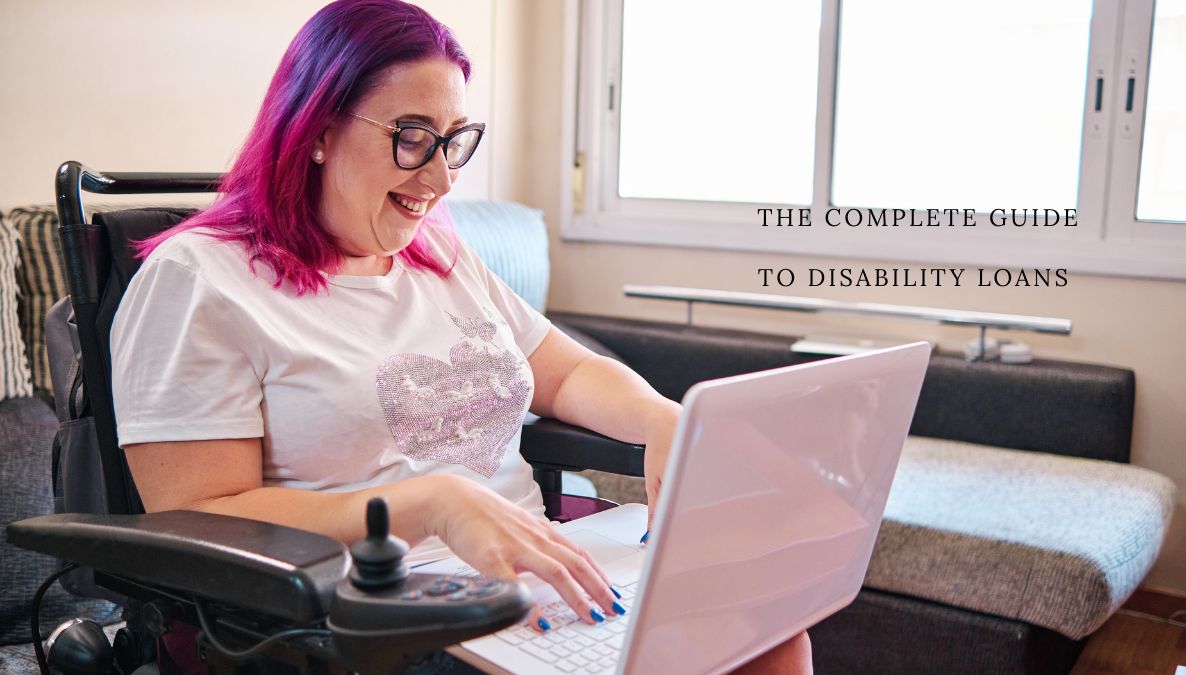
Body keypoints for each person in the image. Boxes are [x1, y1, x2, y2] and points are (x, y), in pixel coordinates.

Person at [110, 1, 811, 672]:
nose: (442, 179)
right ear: (318, 129)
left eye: (455, 141)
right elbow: (200, 515)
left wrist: (663, 416)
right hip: (368, 621)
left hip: (534, 575)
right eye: (413, 137)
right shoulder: (199, 279)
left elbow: (564, 373)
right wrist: (431, 504)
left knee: (770, 634)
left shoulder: (439, 255)